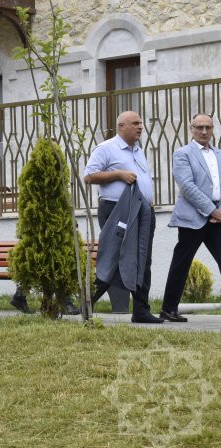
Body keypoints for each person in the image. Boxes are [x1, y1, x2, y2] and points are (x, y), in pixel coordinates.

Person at [84, 110, 162, 324]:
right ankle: (84, 303)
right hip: (117, 210)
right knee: (114, 258)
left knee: (143, 259)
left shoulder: (138, 150)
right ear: (121, 127)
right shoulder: (106, 148)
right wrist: (118, 174)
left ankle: (141, 310)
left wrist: (148, 201)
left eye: (140, 123)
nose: (140, 126)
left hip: (142, 212)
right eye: (135, 123)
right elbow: (88, 176)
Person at [161, 114, 221, 322]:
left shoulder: (219, 154)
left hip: (218, 218)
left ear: (213, 129)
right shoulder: (182, 154)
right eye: (199, 127)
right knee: (182, 263)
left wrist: (218, 211)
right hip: (193, 218)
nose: (204, 131)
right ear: (191, 128)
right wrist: (211, 210)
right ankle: (168, 309)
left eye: (208, 127)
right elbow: (187, 186)